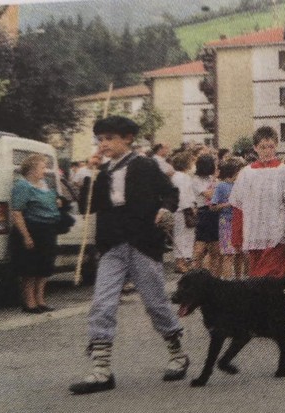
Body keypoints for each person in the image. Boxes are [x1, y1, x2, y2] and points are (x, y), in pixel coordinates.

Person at [69, 116, 189, 394]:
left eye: (110, 138)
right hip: (112, 245)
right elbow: (87, 207)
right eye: (100, 139)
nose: (104, 144)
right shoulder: (102, 171)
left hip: (143, 242)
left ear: (127, 139)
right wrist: (90, 173)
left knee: (155, 303)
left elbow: (170, 192)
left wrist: (166, 209)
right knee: (102, 302)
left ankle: (178, 355)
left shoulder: (145, 165)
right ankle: (101, 370)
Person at [229, 126, 285, 278]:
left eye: (270, 147)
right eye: (262, 147)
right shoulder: (245, 173)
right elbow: (238, 208)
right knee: (256, 280)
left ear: (276, 146)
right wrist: (237, 237)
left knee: (273, 279)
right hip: (253, 234)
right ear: (255, 148)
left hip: (276, 234)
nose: (267, 151)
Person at [10, 154, 61, 314]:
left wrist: (56, 202)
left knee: (45, 267)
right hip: (32, 228)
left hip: (47, 230)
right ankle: (29, 302)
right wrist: (26, 236)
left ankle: (40, 299)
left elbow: (50, 202)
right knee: (30, 268)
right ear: (31, 169)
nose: (45, 171)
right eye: (42, 167)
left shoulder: (44, 184)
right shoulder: (22, 185)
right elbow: (17, 212)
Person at [211, 157, 247, 279]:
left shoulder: (240, 185)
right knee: (228, 254)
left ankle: (238, 280)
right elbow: (213, 206)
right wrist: (229, 203)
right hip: (226, 221)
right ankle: (227, 282)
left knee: (240, 253)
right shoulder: (221, 186)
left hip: (240, 220)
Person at [190, 154, 220, 274]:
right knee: (200, 248)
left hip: (214, 213)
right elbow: (210, 194)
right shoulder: (196, 180)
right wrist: (215, 182)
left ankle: (213, 275)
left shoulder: (210, 178)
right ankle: (195, 273)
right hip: (203, 213)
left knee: (215, 248)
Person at [170, 151, 196, 274]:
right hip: (183, 210)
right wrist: (190, 208)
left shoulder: (178, 176)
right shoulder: (182, 177)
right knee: (182, 236)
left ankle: (184, 261)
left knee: (184, 236)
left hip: (180, 209)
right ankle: (181, 262)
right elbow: (183, 195)